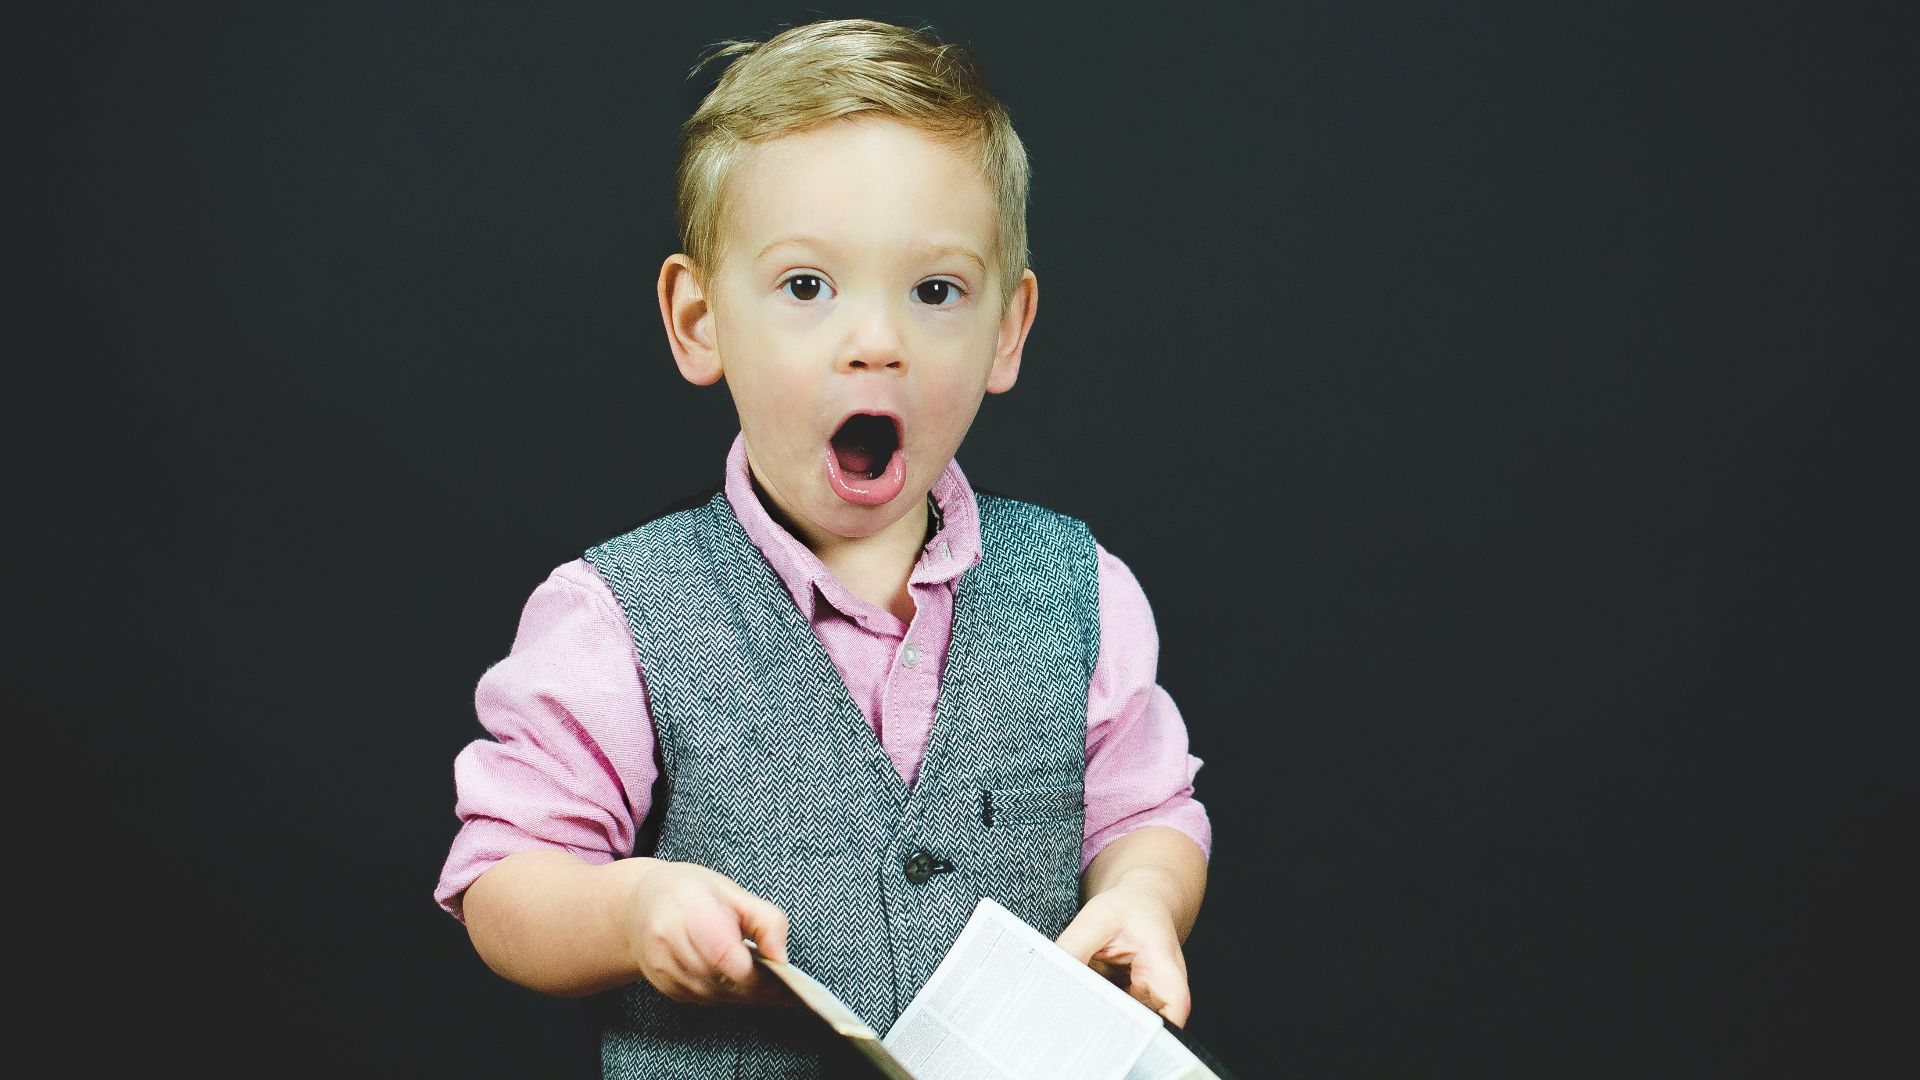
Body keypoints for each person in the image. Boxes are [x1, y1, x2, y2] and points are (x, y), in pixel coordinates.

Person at [435, 17, 1211, 1075]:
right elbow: (500, 881)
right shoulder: (615, 615)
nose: (877, 341)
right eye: (808, 286)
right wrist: (630, 909)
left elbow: (1150, 810)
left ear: (1008, 331)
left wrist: (1141, 895)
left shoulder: (1080, 593)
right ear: (700, 320)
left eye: (935, 292)